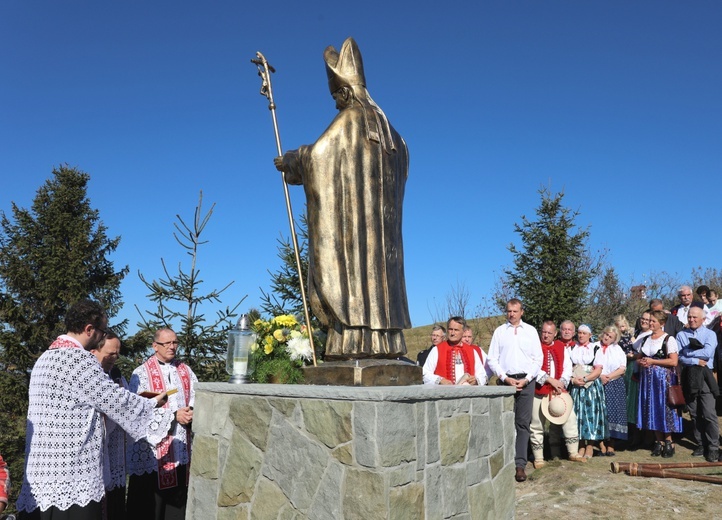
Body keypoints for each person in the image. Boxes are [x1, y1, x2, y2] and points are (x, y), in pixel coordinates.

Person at [274, 37, 410, 359]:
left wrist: (294, 159)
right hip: (383, 235)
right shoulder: (394, 135)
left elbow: (320, 156)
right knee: (380, 278)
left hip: (357, 234)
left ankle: (353, 343)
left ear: (346, 91)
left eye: (337, 96)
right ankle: (386, 345)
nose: (336, 103)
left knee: (354, 275)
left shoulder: (350, 119)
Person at [16, 299, 172, 520]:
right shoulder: (80, 361)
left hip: (41, 473)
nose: (102, 336)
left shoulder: (45, 358)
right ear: (89, 330)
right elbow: (115, 400)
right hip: (73, 473)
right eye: (102, 331)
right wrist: (153, 402)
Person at [126, 328, 197, 520]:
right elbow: (136, 410)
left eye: (175, 342)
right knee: (151, 509)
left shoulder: (185, 370)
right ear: (155, 346)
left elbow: (196, 396)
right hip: (154, 454)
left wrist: (190, 412)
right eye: (167, 343)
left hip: (180, 447)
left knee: (176, 509)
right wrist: (174, 416)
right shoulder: (140, 373)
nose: (172, 347)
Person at [487, 299, 543, 482]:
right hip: (506, 382)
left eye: (515, 311)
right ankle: (503, 462)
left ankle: (520, 465)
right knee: (504, 422)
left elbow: (538, 359)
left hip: (527, 381)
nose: (511, 314)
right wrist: (505, 378)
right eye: (509, 311)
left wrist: (527, 379)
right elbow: (492, 359)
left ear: (522, 312)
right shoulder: (500, 332)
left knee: (523, 423)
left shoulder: (531, 331)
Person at [530, 321, 586, 467]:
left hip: (559, 391)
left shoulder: (561, 347)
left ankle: (573, 452)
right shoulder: (534, 347)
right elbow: (532, 368)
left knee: (569, 418)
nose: (546, 335)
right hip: (539, 390)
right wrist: (550, 380)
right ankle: (539, 458)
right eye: (544, 332)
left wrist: (560, 382)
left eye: (549, 332)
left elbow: (567, 367)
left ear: (555, 333)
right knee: (537, 424)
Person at [633, 310, 682, 458]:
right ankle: (658, 441)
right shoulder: (646, 338)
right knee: (651, 408)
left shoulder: (668, 339)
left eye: (653, 321)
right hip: (648, 379)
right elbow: (638, 357)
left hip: (663, 380)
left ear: (662, 323)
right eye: (650, 321)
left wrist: (653, 361)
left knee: (663, 408)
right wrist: (641, 361)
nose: (650, 323)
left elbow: (673, 361)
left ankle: (669, 441)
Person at [90, 332, 127, 520]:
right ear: (95, 350)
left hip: (116, 454)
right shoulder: (89, 377)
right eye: (111, 353)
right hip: (94, 457)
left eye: (117, 354)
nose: (114, 358)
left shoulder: (117, 375)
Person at [677, 307, 720, 461]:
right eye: (689, 317)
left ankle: (713, 446)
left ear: (703, 319)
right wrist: (694, 359)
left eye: (695, 317)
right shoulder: (681, 335)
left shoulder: (710, 334)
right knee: (694, 413)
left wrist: (688, 353)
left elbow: (707, 353)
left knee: (709, 413)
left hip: (705, 376)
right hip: (689, 375)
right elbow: (680, 357)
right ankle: (701, 443)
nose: (692, 319)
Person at [569, 324, 606, 459]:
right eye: (579, 333)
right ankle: (580, 445)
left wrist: (586, 378)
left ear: (590, 335)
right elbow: (568, 366)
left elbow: (598, 369)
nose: (581, 335)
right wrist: (573, 379)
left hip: (590, 385)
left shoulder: (596, 348)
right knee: (577, 414)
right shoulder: (572, 348)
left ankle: (590, 445)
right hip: (576, 384)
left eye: (584, 333)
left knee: (591, 414)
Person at [422, 317, 486, 385]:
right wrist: (440, 380)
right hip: (444, 393)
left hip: (468, 393)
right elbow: (425, 373)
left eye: (456, 330)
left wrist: (476, 380)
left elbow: (482, 375)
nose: (452, 333)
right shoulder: (437, 350)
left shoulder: (472, 351)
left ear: (463, 332)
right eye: (450, 329)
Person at [595, 325, 627, 456]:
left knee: (613, 413)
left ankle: (611, 444)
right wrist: (600, 376)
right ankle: (601, 444)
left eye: (610, 337)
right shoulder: (595, 346)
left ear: (614, 339)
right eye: (606, 335)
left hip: (614, 383)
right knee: (599, 413)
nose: (606, 338)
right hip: (598, 382)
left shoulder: (617, 349)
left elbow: (622, 368)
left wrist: (608, 377)